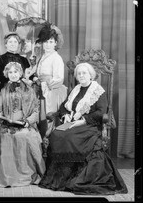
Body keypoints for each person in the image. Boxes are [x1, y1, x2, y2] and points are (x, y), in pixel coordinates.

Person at [38, 63, 128, 195]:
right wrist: (66, 115)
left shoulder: (98, 91)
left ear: (91, 75)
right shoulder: (76, 89)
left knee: (69, 137)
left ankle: (74, 178)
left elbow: (101, 112)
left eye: (84, 73)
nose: (81, 75)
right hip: (72, 123)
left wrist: (82, 121)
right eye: (79, 73)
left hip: (90, 125)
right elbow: (64, 106)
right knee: (57, 134)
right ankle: (60, 178)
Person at [0, 62, 46, 187]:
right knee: (3, 135)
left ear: (20, 73)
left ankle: (26, 174)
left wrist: (27, 122)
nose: (13, 75)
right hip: (6, 124)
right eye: (10, 72)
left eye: (15, 72)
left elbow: (36, 112)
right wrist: (3, 119)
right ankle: (7, 177)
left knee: (24, 136)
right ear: (7, 74)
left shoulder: (29, 89)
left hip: (25, 124)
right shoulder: (3, 90)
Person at [31, 21, 67, 139]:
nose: (47, 45)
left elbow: (59, 79)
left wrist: (44, 84)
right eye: (45, 42)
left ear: (55, 43)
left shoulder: (56, 58)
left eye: (51, 42)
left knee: (47, 117)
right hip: (40, 89)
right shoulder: (42, 56)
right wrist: (36, 78)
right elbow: (38, 72)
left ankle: (48, 142)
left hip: (50, 92)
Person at [0, 32, 30, 122]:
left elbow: (28, 75)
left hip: (22, 88)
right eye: (10, 42)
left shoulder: (23, 59)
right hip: (5, 87)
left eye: (15, 42)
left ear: (18, 44)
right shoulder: (0, 58)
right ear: (6, 44)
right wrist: (10, 78)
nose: (13, 44)